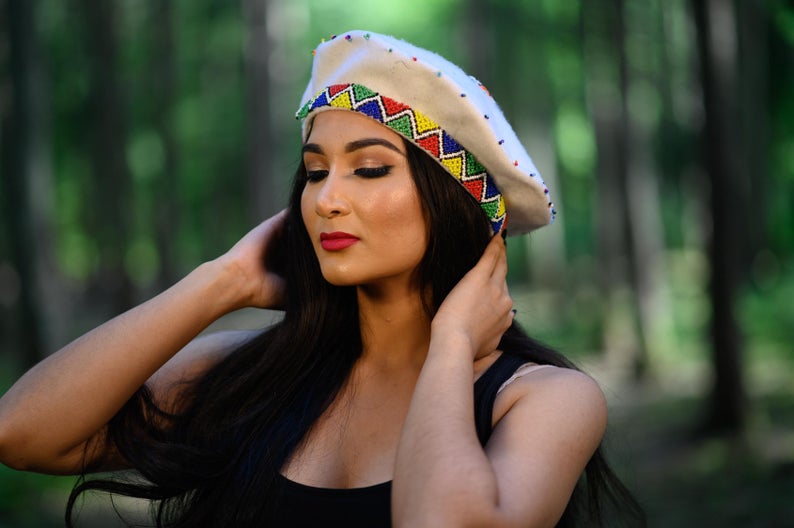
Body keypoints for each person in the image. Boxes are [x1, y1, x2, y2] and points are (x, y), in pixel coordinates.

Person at [0, 30, 644, 527]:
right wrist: (222, 282)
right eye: (313, 172)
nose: (325, 199)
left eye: (368, 170)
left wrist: (450, 344)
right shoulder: (259, 374)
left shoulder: (542, 400)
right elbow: (24, 435)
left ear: (453, 200)